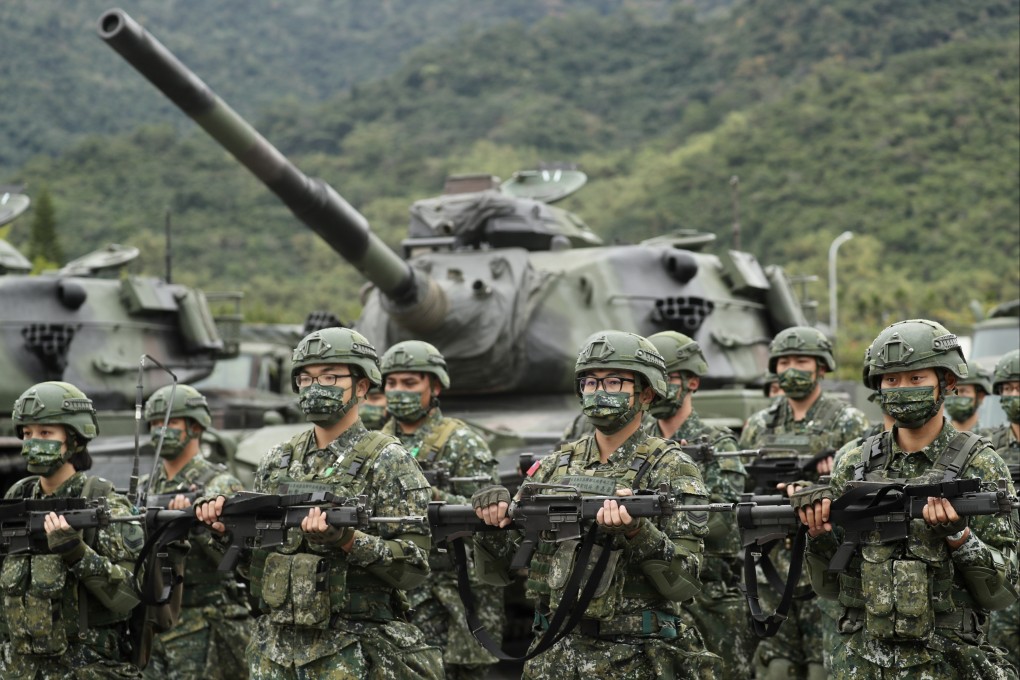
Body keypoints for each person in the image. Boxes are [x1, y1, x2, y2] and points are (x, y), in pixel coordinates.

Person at [195, 327, 444, 679]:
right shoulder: (277, 460)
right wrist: (223, 532)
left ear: (361, 386)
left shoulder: (388, 460)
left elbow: (414, 568)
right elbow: (257, 568)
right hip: (274, 653)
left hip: (353, 652)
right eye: (307, 378)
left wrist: (348, 541)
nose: (316, 387)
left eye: (330, 377)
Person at [472, 330, 719, 679]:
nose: (599, 391)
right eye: (589, 382)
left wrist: (637, 532)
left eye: (615, 382)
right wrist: (490, 523)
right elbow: (498, 572)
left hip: (634, 659)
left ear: (645, 393)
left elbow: (685, 583)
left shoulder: (672, 467)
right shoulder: (554, 467)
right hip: (552, 657)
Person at [796, 319, 1018, 679]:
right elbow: (830, 587)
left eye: (916, 379)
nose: (901, 389)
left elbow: (1003, 592)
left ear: (946, 383)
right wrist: (817, 534)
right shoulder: (853, 462)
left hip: (948, 660)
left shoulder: (981, 464)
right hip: (861, 660)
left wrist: (960, 538)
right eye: (891, 380)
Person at [737, 325, 869, 680]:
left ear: (821, 367)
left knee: (821, 666)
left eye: (801, 361)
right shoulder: (759, 425)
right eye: (785, 362)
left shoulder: (847, 422)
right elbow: (744, 486)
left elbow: (862, 492)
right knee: (774, 666)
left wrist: (824, 482)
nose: (791, 369)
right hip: (770, 561)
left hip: (824, 562)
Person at [1, 381, 144, 679]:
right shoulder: (17, 498)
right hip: (19, 668)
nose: (32, 443)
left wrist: (77, 554)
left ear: (75, 438)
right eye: (27, 434)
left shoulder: (102, 502)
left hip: (83, 666)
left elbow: (129, 596)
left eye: (45, 433)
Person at [379, 340, 501, 679]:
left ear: (434, 386)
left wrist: (426, 494)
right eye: (391, 383)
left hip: (452, 591)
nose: (398, 391)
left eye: (409, 383)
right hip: (393, 587)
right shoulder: (374, 444)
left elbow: (489, 516)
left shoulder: (462, 442)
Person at [646, 331, 752, 679]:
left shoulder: (717, 441)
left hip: (707, 596)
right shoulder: (637, 442)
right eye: (651, 380)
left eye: (667, 378)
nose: (658, 389)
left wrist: (648, 522)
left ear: (691, 381)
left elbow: (726, 522)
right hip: (648, 597)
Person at [139, 384, 250, 680]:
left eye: (171, 423)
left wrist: (194, 526)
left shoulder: (219, 486)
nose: (160, 431)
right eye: (154, 424)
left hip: (201, 620)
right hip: (153, 621)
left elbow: (233, 560)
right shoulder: (145, 488)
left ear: (195, 426)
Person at [985, 348, 1020, 672]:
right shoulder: (989, 445)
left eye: (1019, 388)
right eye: (1007, 389)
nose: (1013, 396)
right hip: (1007, 570)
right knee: (1003, 657)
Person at [945, 361, 993, 432]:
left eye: (963, 391)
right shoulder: (933, 439)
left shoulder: (994, 440)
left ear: (980, 396)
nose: (955, 396)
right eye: (950, 391)